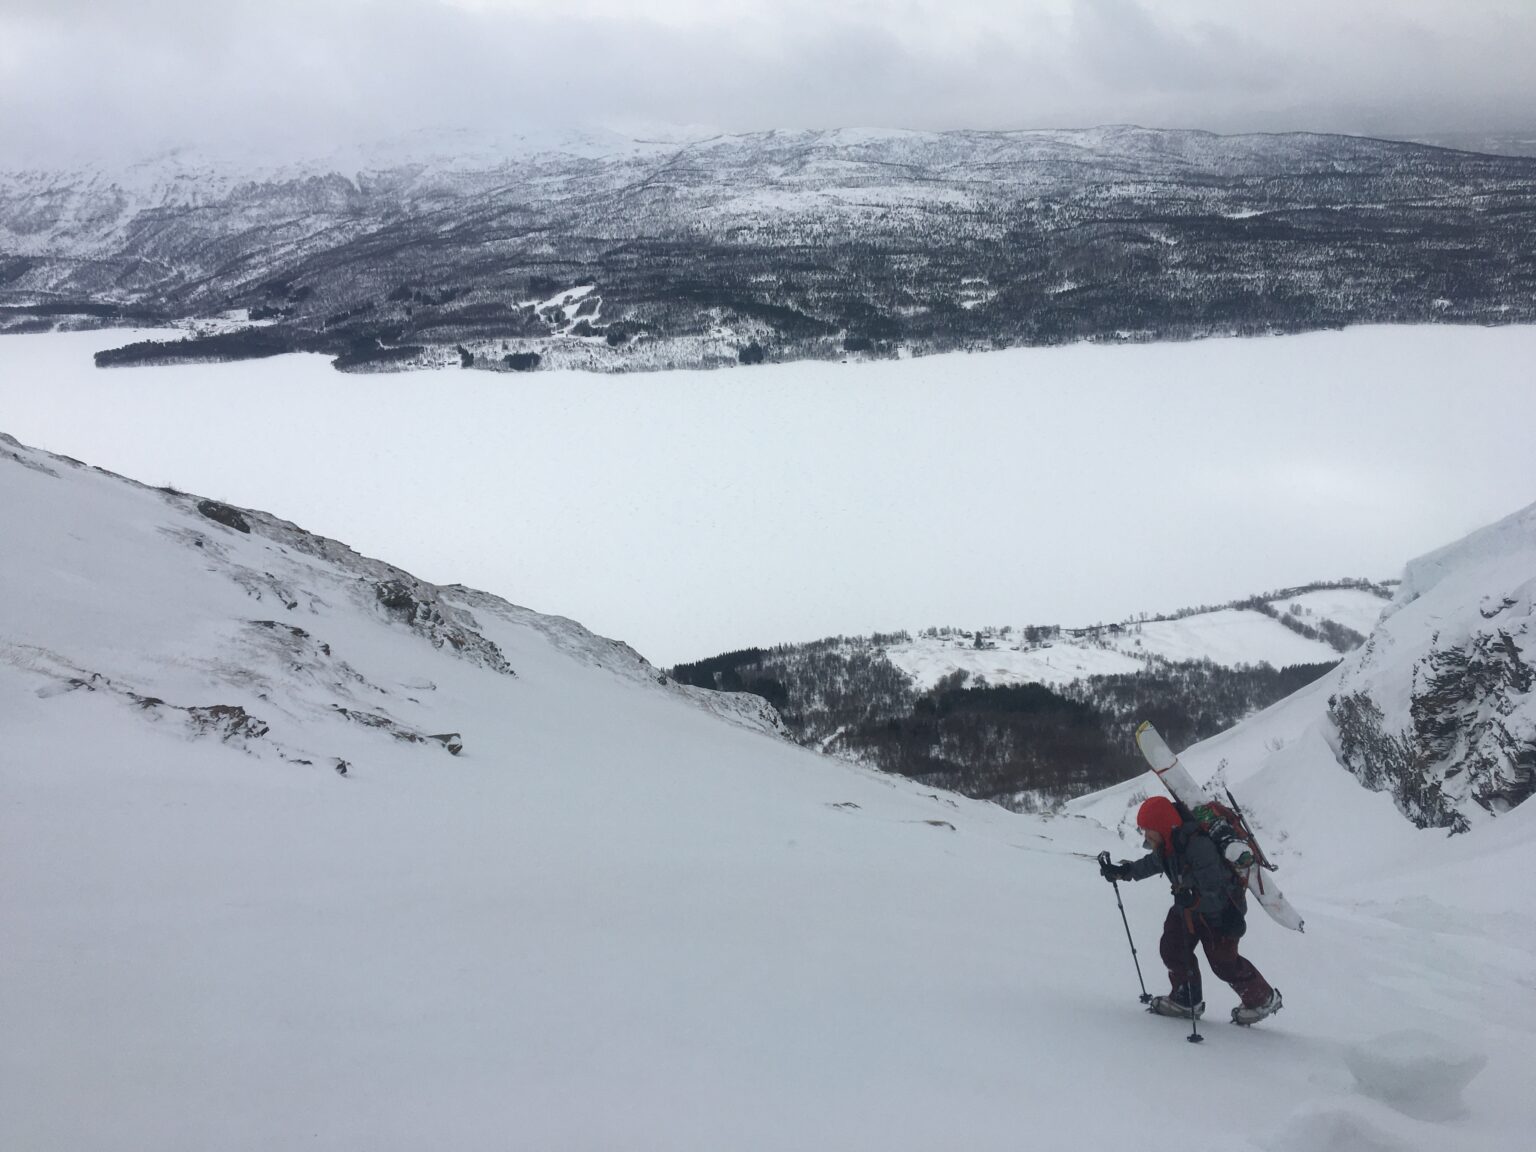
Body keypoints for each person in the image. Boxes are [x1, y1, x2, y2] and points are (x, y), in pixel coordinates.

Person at [1100, 795, 1283, 1025]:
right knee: (1172, 947)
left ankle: (1262, 999)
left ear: (1161, 826)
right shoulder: (1169, 843)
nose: (1146, 836)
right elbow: (1154, 863)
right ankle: (1186, 1000)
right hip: (1189, 908)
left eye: (1148, 830)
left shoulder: (1198, 845)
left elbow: (1215, 887)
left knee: (1223, 964)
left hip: (1221, 914)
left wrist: (1192, 896)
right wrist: (1123, 872)